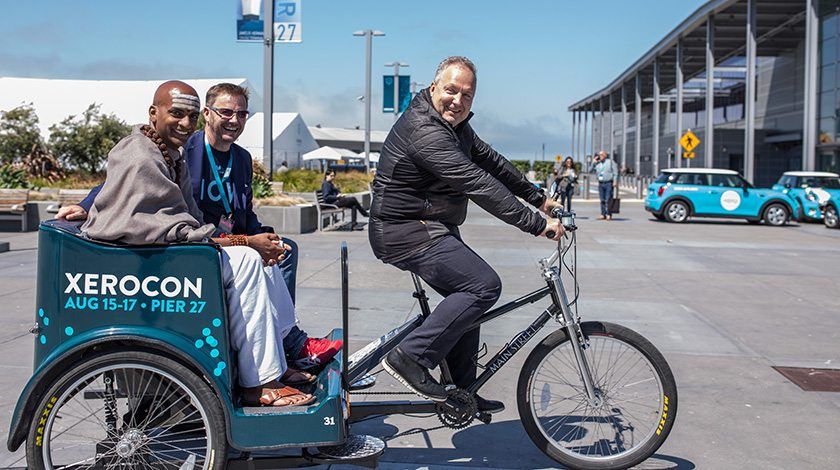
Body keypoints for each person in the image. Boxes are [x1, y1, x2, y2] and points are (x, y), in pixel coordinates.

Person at [58, 82, 341, 370]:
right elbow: (125, 179)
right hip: (198, 242)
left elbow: (243, 210)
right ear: (207, 114)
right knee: (253, 257)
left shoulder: (242, 159)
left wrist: (262, 236)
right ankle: (282, 350)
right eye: (226, 112)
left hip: (229, 237)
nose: (234, 120)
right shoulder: (185, 150)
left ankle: (284, 341)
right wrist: (85, 203)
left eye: (242, 114)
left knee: (283, 250)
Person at [369, 56, 564, 413]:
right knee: (482, 286)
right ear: (433, 88)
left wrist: (540, 199)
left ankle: (461, 390)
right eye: (451, 90)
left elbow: (492, 162)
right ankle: (410, 357)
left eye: (467, 95)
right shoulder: (425, 131)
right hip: (403, 230)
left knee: (469, 295)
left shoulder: (454, 127)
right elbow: (476, 182)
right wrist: (536, 224)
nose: (458, 100)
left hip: (428, 225)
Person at [594, 150, 618, 220]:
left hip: (608, 183)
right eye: (599, 155)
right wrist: (593, 163)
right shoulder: (597, 163)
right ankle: (603, 214)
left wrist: (615, 181)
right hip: (601, 183)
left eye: (601, 155)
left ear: (605, 155)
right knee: (602, 200)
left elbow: (615, 172)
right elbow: (590, 170)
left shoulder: (610, 162)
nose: (600, 156)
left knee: (608, 199)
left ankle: (608, 214)